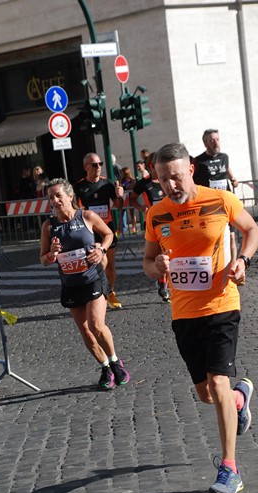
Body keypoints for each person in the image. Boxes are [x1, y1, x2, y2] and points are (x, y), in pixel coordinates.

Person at [143, 142, 258, 493]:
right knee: (206, 393)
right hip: (183, 312)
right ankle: (240, 401)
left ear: (190, 169)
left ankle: (230, 469)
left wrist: (243, 261)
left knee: (219, 383)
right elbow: (148, 263)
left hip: (222, 305)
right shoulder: (156, 214)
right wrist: (156, 268)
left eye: (176, 177)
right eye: (163, 180)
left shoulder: (220, 199)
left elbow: (252, 230)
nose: (171, 186)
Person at [40, 178, 130, 390]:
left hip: (93, 278)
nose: (55, 200)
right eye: (51, 197)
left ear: (70, 196)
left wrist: (101, 250)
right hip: (71, 284)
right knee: (86, 333)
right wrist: (52, 254)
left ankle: (116, 361)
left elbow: (108, 234)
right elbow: (43, 259)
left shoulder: (87, 216)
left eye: (58, 195)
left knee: (96, 325)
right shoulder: (48, 226)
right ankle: (105, 367)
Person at [73, 153, 124, 309]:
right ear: (85, 167)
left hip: (107, 229)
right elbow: (75, 208)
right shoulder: (79, 186)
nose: (98, 167)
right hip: (91, 230)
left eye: (100, 164)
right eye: (94, 165)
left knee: (110, 264)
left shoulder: (107, 184)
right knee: (101, 261)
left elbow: (118, 205)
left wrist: (120, 197)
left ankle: (110, 291)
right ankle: (104, 292)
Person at [130, 152, 170, 302]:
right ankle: (163, 284)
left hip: (169, 222)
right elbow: (132, 199)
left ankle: (165, 283)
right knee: (159, 253)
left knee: (168, 251)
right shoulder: (144, 183)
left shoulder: (166, 180)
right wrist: (141, 208)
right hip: (153, 224)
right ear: (152, 166)